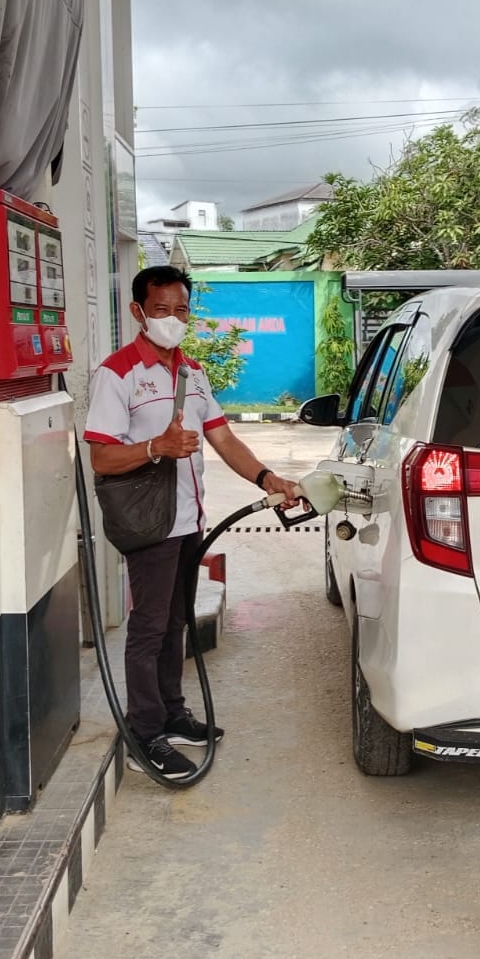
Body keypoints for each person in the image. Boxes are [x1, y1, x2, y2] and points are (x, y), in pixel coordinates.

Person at [83, 266, 302, 781]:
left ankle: (172, 712)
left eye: (182, 310)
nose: (173, 319)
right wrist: (156, 446)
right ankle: (144, 733)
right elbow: (101, 459)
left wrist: (267, 478)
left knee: (177, 620)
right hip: (149, 521)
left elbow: (223, 439)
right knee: (148, 628)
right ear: (138, 311)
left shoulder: (193, 372)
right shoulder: (116, 374)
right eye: (161, 310)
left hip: (188, 519)